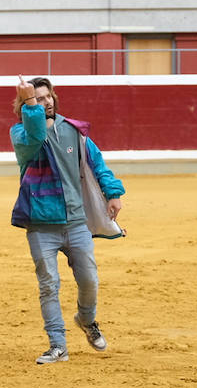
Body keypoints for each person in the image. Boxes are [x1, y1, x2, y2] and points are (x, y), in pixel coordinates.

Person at [10, 75, 125, 365]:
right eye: (38, 98)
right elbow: (36, 136)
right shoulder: (21, 134)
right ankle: (57, 345)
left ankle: (86, 319)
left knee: (89, 280)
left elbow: (97, 164)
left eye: (48, 96)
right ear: (26, 104)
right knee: (49, 284)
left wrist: (112, 193)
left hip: (75, 220)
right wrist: (30, 104)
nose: (45, 102)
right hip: (40, 223)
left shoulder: (74, 131)